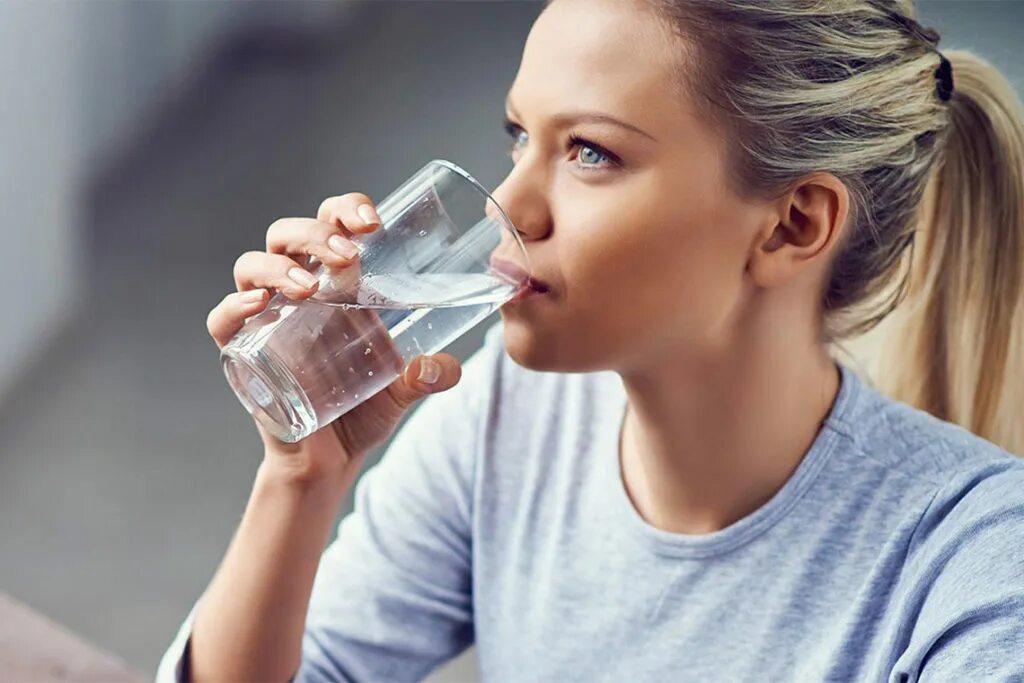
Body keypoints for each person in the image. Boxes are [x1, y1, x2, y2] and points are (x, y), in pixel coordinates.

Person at [158, 0, 1024, 680]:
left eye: (591, 154)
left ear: (793, 225)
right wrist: (301, 476)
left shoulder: (979, 557)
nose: (512, 208)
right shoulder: (508, 413)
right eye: (519, 137)